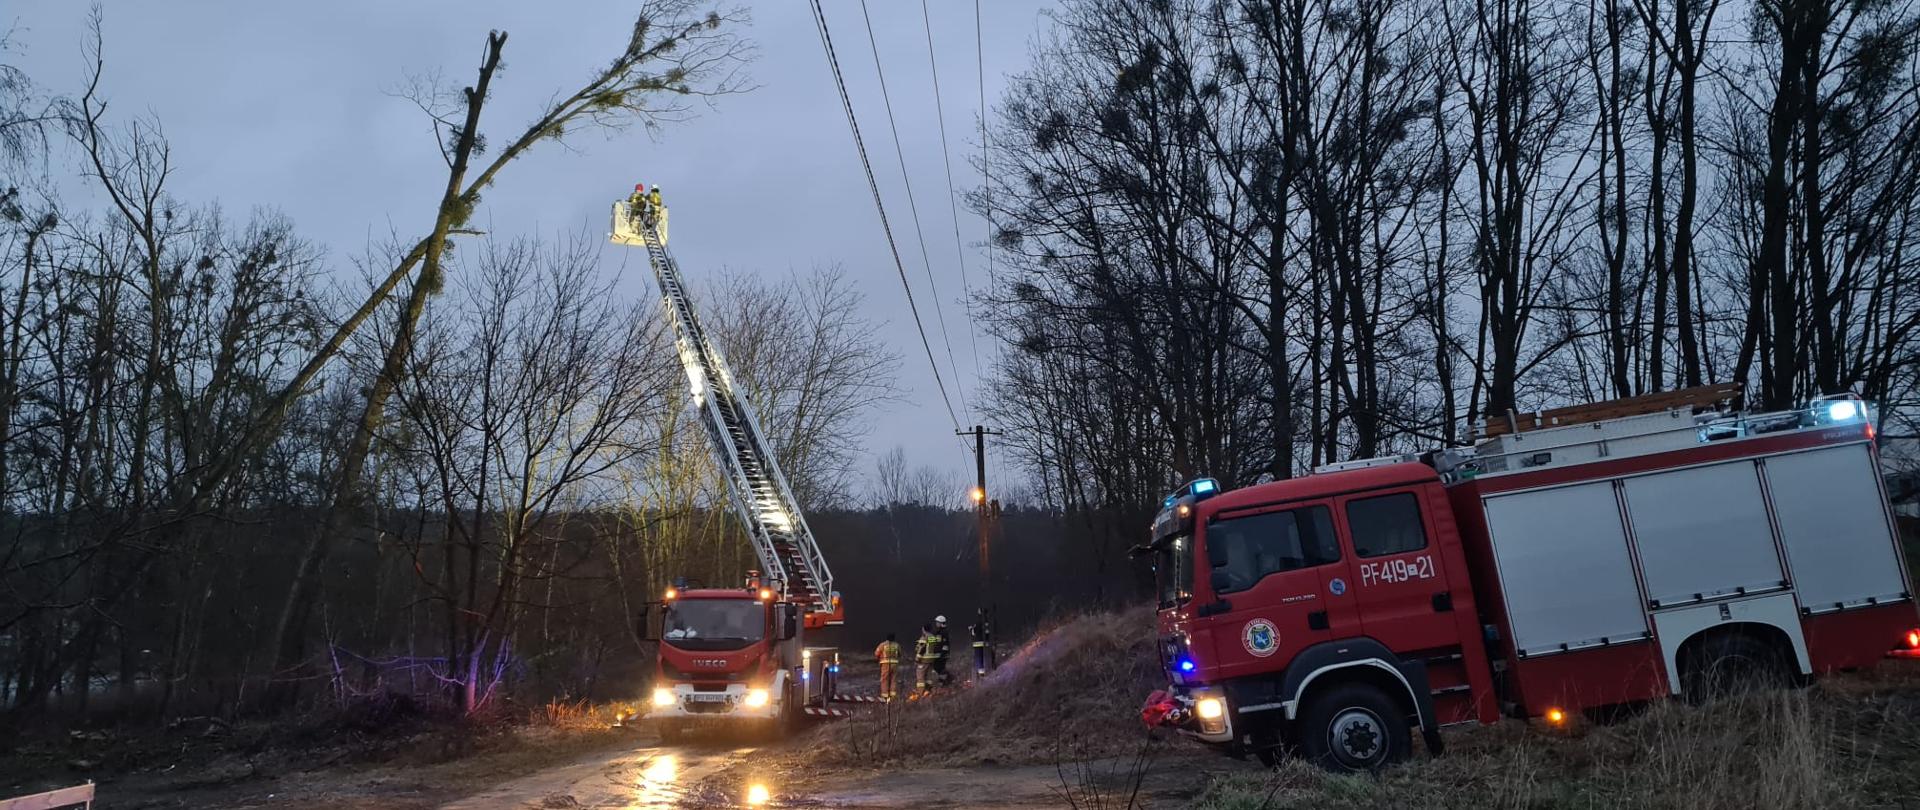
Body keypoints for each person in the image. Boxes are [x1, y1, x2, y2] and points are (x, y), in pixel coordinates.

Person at [873, 633, 902, 700]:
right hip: (895, 664)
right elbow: (900, 654)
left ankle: (885, 696)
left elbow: (876, 653)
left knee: (884, 679)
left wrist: (879, 658)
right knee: (893, 679)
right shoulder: (897, 645)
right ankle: (893, 696)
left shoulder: (882, 645)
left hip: (885, 664)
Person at [913, 622, 940, 694]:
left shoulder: (924, 637)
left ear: (924, 629)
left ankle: (920, 692)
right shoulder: (933, 637)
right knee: (928, 677)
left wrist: (917, 659)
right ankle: (929, 691)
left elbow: (922, 649)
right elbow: (936, 648)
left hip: (924, 660)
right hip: (931, 660)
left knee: (920, 676)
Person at [969, 608, 995, 676]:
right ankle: (992, 668)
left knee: (979, 657)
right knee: (989, 655)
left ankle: (981, 673)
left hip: (978, 643)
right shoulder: (989, 621)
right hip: (988, 643)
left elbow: (974, 632)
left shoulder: (978, 622)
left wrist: (971, 629)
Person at [929, 615, 953, 688]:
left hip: (943, 655)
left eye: (937, 622)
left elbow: (945, 644)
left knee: (941, 668)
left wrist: (942, 654)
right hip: (937, 654)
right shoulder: (937, 632)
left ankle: (946, 680)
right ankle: (946, 680)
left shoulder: (944, 632)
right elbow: (934, 642)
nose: (936, 623)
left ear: (941, 623)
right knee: (937, 668)